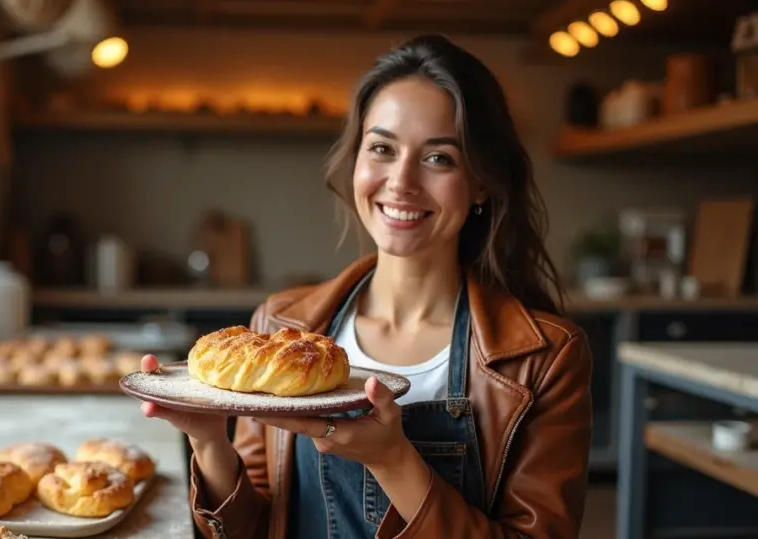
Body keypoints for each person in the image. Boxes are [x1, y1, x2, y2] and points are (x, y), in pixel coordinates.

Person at [139, 33, 593, 539]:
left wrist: (396, 462)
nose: (401, 181)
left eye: (438, 158)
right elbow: (256, 526)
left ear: (482, 181)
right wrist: (209, 443)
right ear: (356, 160)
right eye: (381, 148)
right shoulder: (282, 329)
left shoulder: (545, 359)